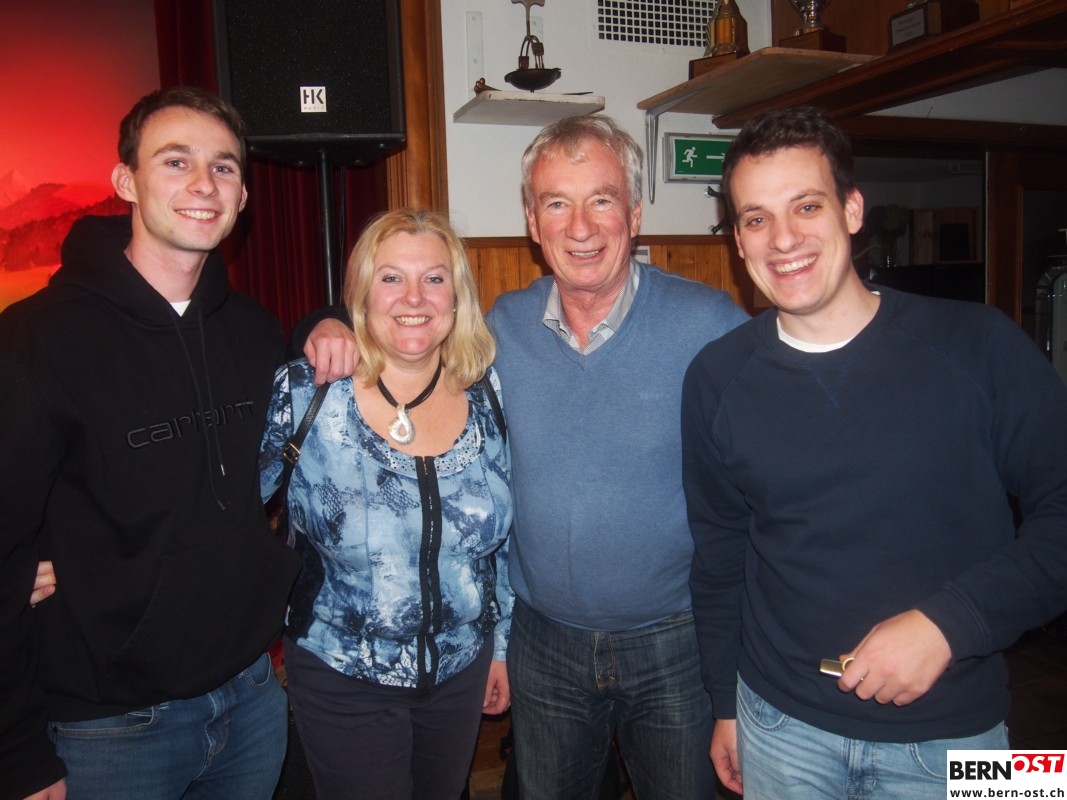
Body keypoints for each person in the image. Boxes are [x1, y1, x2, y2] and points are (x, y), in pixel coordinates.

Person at [303, 115, 750, 799]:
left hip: (674, 644)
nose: (581, 227)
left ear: (634, 214)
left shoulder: (710, 326)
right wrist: (324, 321)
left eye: (601, 199)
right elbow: (404, 336)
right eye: (556, 203)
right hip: (544, 644)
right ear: (532, 224)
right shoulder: (498, 333)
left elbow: (774, 484)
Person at [681, 106, 1067, 799]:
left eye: (806, 206)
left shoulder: (980, 346)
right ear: (738, 240)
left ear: (852, 209)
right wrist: (724, 705)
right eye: (756, 219)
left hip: (957, 738)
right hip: (777, 728)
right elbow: (718, 559)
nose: (784, 239)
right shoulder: (715, 376)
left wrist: (950, 625)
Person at [0, 87, 300, 800]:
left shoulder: (255, 331)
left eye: (223, 167)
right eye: (175, 161)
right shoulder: (37, 338)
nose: (203, 184)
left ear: (243, 195)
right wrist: (16, 752)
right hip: (110, 727)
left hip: (251, 698)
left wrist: (326, 319)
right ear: (126, 181)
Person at [260, 209, 513, 799]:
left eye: (434, 278)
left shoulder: (488, 392)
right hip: (342, 674)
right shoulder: (307, 394)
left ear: (457, 295)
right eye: (391, 278)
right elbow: (220, 511)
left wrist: (499, 647)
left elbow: (500, 545)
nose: (414, 298)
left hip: (461, 671)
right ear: (361, 293)